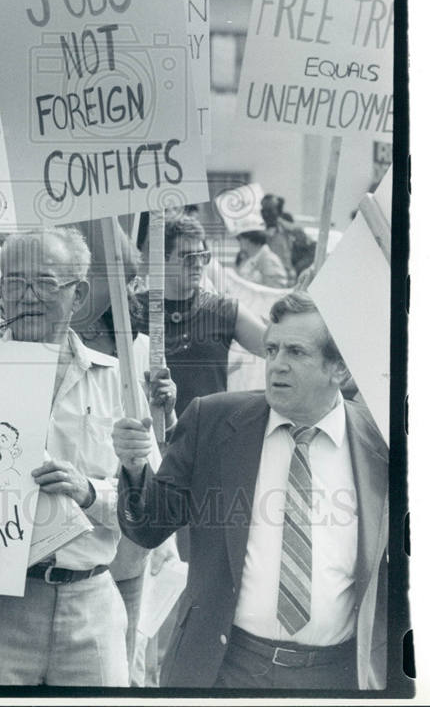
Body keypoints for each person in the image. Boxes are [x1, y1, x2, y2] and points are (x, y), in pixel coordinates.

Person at [0, 226, 159, 687]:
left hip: (91, 601)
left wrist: (89, 493)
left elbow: (154, 508)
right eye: (13, 282)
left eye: (43, 283)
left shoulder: (119, 383)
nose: (25, 297)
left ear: (78, 294)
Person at [113, 292, 389, 690]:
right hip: (225, 668)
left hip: (337, 677)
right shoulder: (214, 420)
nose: (277, 364)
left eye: (296, 352)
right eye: (272, 349)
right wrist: (135, 467)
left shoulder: (381, 443)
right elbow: (148, 527)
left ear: (340, 370)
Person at [129, 215, 266, 416]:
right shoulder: (134, 309)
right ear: (163, 259)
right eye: (188, 257)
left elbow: (275, 346)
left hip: (208, 438)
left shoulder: (223, 309)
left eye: (203, 256)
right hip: (149, 435)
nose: (198, 264)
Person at [260, 194, 313, 283]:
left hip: (286, 275)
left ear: (278, 212)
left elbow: (302, 235)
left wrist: (279, 221)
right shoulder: (259, 231)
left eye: (270, 210)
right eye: (264, 210)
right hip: (267, 275)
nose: (266, 214)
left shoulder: (285, 229)